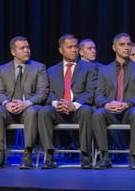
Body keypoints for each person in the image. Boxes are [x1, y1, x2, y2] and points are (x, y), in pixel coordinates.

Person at [0, 36, 49, 169]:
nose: (27, 50)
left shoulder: (39, 67)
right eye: (22, 48)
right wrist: (6, 103)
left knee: (32, 111)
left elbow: (42, 93)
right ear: (13, 52)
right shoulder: (3, 69)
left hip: (28, 108)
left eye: (28, 47)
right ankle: (0, 153)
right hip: (9, 109)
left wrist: (26, 103)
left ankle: (27, 153)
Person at [38, 34, 98, 169]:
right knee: (44, 111)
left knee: (87, 110)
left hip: (78, 110)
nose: (74, 50)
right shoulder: (51, 70)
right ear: (61, 50)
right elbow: (48, 93)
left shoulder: (89, 68)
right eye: (69, 47)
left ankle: (85, 154)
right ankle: (49, 154)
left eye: (75, 47)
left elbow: (91, 92)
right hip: (59, 110)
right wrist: (56, 103)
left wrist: (74, 105)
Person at [91, 33, 135, 169]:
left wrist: (127, 104)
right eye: (122, 45)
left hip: (129, 109)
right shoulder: (104, 70)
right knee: (98, 113)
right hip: (111, 110)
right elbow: (98, 95)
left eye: (128, 44)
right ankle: (104, 157)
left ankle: (134, 157)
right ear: (114, 47)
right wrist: (107, 104)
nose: (126, 47)